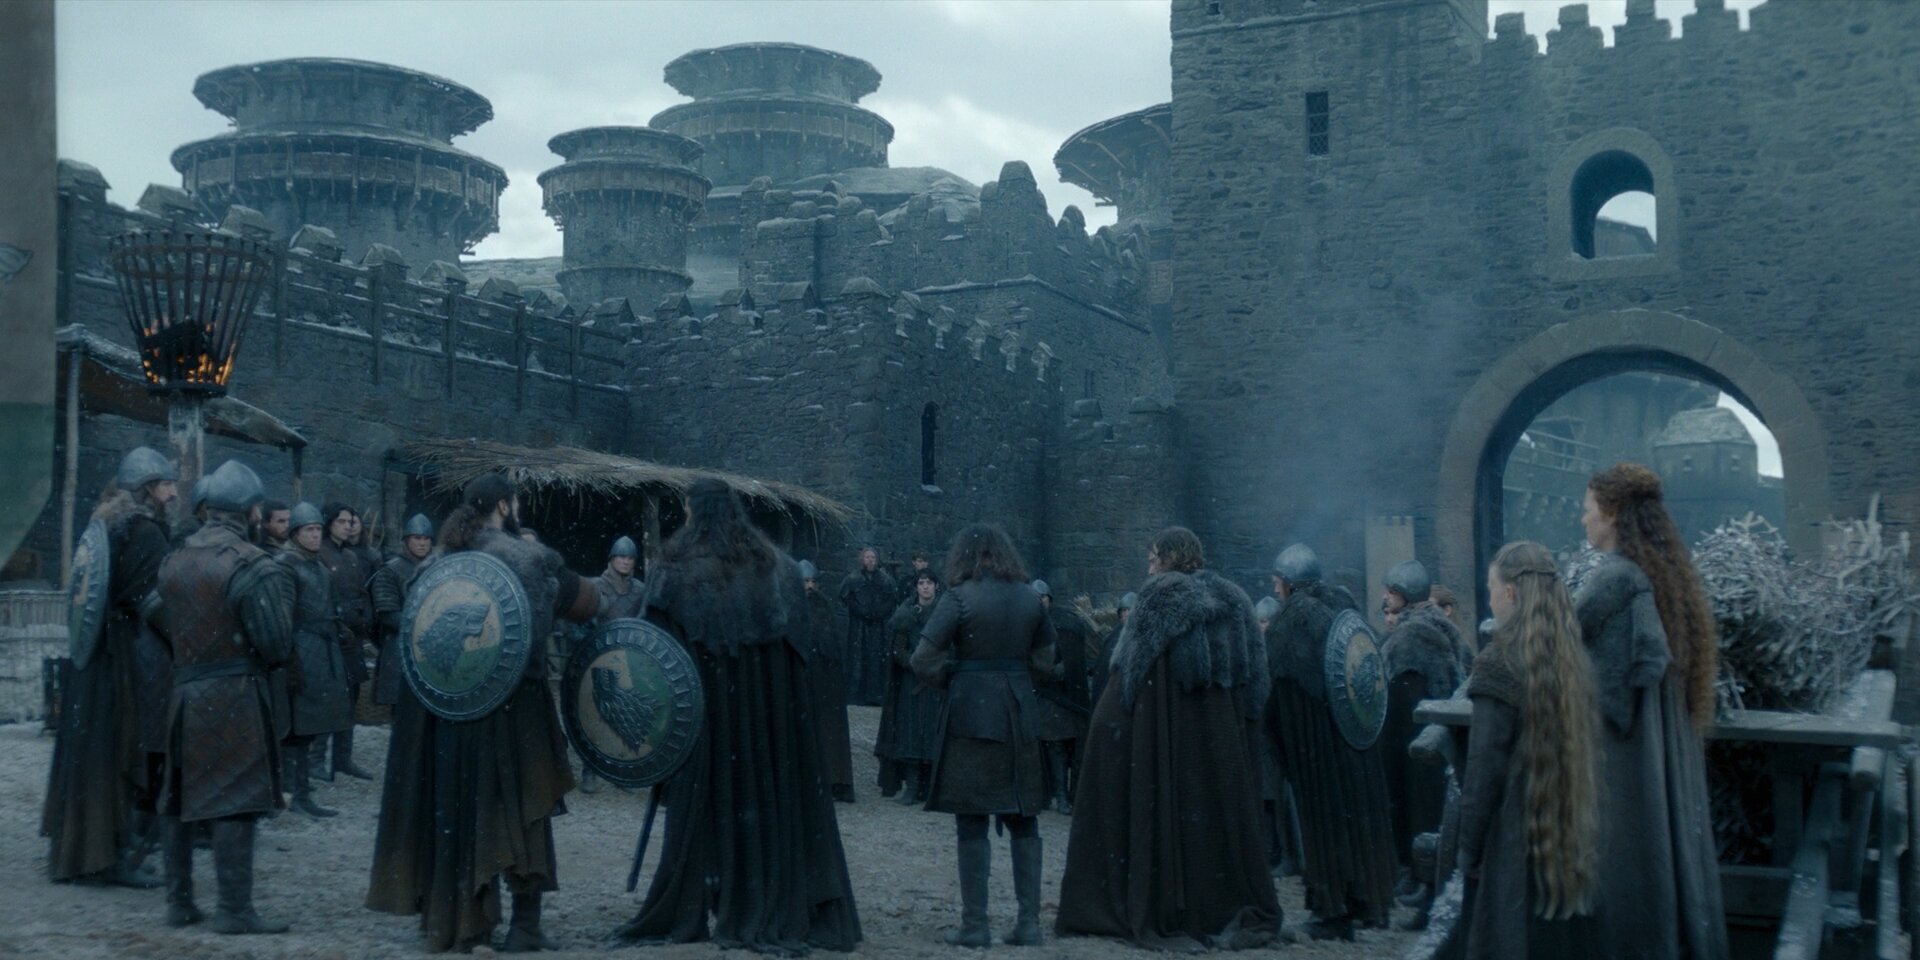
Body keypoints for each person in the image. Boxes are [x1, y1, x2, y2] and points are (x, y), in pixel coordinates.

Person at [613, 480, 862, 953]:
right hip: (768, 718)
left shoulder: (675, 570)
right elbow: (797, 648)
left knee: (703, 806)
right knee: (760, 808)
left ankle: (695, 902)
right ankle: (760, 897)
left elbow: (654, 649)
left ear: (695, 513)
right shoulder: (777, 568)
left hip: (706, 716)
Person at [365, 473, 599, 953]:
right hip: (517, 708)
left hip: (450, 716)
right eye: (516, 503)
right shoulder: (530, 559)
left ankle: (463, 921)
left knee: (457, 809)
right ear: (505, 506)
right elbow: (589, 603)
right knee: (524, 809)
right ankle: (525, 926)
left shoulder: (433, 564)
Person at [1056, 527, 1280, 950]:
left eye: (1153, 558)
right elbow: (1255, 686)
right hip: (1220, 735)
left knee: (1168, 811)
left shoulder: (1160, 596)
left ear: (1170, 558)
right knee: (1212, 817)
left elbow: (1129, 674)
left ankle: (1169, 905)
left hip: (1170, 731)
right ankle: (1216, 907)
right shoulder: (1235, 599)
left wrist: (1107, 732)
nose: (1149, 568)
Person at [1576, 464, 1728, 960]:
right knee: (1661, 844)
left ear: (1612, 513)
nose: (1583, 519)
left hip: (1632, 749)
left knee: (1631, 854)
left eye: (1588, 509)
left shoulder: (1616, 578)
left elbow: (1568, 641)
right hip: (1660, 743)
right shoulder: (1662, 576)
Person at [154, 459, 296, 934]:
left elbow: (162, 619)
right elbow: (276, 644)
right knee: (235, 797)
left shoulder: (174, 558)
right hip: (235, 694)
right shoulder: (252, 565)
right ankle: (233, 911)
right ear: (253, 511)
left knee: (178, 797)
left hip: (184, 690)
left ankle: (179, 903)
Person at [909, 524, 1057, 948]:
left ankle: (975, 925)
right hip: (1020, 714)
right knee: (1024, 819)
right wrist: (1017, 679)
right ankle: (1029, 924)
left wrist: (953, 679)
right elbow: (1046, 663)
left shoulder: (958, 598)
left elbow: (923, 659)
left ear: (964, 555)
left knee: (971, 819)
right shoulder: (1030, 598)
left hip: (972, 714)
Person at [1454, 540, 1602, 958]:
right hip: (1564, 839)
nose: (1490, 600)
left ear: (1510, 593)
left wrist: (1468, 851)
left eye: (1491, 590)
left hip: (1510, 845)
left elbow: (1483, 771)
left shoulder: (1497, 663)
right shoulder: (1571, 661)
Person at [44, 445, 176, 888]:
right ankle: (109, 858)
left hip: (93, 659)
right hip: (119, 656)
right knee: (116, 753)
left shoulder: (105, 523)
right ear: (147, 489)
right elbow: (152, 602)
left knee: (91, 751)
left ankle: (88, 847)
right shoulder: (145, 531)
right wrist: (187, 638)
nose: (173, 493)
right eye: (166, 485)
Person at [1264, 543, 1397, 941]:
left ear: (1288, 583)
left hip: (1316, 747)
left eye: (1277, 581)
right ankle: (1362, 902)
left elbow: (1281, 695)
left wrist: (1283, 747)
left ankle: (1331, 910)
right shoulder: (1344, 609)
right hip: (1352, 748)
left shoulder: (1289, 623)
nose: (1274, 588)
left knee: (1324, 826)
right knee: (1355, 821)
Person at [1379, 559, 1475, 920]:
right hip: (1433, 737)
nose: (1386, 598)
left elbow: (1408, 696)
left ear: (1405, 595)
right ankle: (1425, 883)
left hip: (1419, 741)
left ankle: (1427, 885)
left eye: (1391, 593)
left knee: (1422, 811)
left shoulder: (1412, 634)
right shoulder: (1437, 626)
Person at [276, 502, 353, 819]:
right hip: (298, 650)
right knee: (295, 728)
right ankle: (291, 793)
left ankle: (303, 791)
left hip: (322, 650)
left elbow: (329, 607)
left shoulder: (319, 566)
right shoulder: (285, 566)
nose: (315, 535)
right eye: (308, 530)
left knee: (310, 727)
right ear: (295, 533)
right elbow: (283, 617)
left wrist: (340, 628)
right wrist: (289, 658)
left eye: (318, 529)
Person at [311, 503, 374, 782]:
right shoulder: (319, 554)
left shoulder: (351, 556)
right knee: (328, 699)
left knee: (351, 696)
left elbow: (362, 593)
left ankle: (342, 759)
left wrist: (363, 617)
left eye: (350, 522)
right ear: (329, 524)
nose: (348, 526)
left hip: (352, 638)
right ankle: (315, 759)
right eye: (342, 521)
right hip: (329, 637)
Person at [878, 570, 944, 804]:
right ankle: (912, 787)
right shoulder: (906, 613)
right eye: (921, 583)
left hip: (936, 682)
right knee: (911, 734)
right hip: (911, 682)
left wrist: (937, 667)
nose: (925, 587)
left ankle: (929, 788)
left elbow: (950, 645)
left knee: (933, 734)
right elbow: (898, 649)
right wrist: (914, 665)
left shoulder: (945, 613)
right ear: (916, 587)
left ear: (936, 586)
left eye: (929, 583)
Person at [1031, 579, 1092, 815]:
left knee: (1070, 747)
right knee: (1053, 746)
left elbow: (1075, 658)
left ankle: (1069, 796)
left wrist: (1065, 668)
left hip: (1069, 696)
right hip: (1046, 695)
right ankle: (1058, 796)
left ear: (1049, 599)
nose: (1040, 602)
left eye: (1042, 598)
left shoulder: (1065, 623)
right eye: (1035, 599)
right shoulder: (1030, 625)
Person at [369, 513, 434, 708]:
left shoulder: (437, 567)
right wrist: (423, 625)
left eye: (426, 539)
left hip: (431, 647)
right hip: (399, 647)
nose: (422, 543)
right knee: (401, 707)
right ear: (406, 540)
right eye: (417, 538)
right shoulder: (390, 570)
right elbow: (388, 614)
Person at [839, 547, 897, 706]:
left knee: (877, 659)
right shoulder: (853, 578)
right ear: (862, 559)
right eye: (867, 557)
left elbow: (892, 599)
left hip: (879, 627)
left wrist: (880, 612)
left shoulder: (886, 580)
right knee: (857, 659)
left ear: (877, 560)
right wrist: (860, 610)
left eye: (873, 557)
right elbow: (846, 597)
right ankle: (855, 694)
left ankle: (875, 695)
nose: (870, 560)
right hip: (858, 627)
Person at [1087, 591, 1135, 708]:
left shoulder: (1138, 636)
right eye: (1123, 610)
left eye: (1129, 610)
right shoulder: (1113, 635)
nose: (1126, 614)